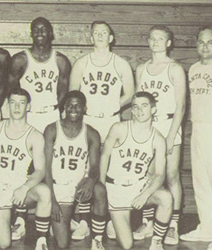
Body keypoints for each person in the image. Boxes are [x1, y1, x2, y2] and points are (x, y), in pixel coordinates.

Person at [69, 20, 134, 240]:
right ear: (91, 38)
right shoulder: (81, 63)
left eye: (103, 32)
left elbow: (131, 94)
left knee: (110, 171)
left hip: (111, 121)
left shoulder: (121, 63)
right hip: (88, 120)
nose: (99, 35)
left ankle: (109, 220)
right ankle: (84, 223)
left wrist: (114, 106)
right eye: (95, 33)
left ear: (111, 38)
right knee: (86, 170)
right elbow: (73, 94)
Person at [0, 87, 51, 250]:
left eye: (21, 103)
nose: (17, 107)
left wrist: (25, 187)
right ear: (7, 106)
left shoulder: (35, 136)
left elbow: (40, 170)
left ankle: (41, 241)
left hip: (19, 188)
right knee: (4, 243)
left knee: (44, 192)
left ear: (28, 107)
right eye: (13, 103)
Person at [100, 92, 172, 250]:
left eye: (144, 106)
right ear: (131, 110)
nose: (139, 110)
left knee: (166, 197)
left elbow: (160, 174)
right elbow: (104, 156)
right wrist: (101, 185)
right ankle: (113, 223)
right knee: (127, 245)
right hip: (116, 188)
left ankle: (157, 241)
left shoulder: (158, 139)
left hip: (138, 187)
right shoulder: (119, 128)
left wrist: (145, 194)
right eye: (135, 107)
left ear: (153, 109)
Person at [135, 25, 186, 245]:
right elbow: (138, 101)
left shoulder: (174, 69)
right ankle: (148, 222)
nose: (156, 42)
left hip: (168, 124)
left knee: (171, 175)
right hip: (147, 126)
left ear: (168, 43)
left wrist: (171, 135)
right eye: (152, 38)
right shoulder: (141, 68)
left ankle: (173, 225)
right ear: (148, 41)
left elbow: (182, 106)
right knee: (146, 174)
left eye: (160, 39)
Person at [44, 90, 107, 250]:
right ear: (64, 106)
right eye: (70, 105)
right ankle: (61, 222)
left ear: (84, 108)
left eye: (78, 106)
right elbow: (46, 168)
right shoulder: (52, 129)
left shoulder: (92, 133)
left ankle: (97, 240)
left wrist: (91, 180)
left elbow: (94, 167)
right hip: (58, 188)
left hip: (78, 186)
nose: (73, 109)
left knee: (99, 189)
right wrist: (52, 200)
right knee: (63, 243)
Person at [8, 17, 71, 133]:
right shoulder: (20, 60)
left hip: (51, 114)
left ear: (50, 33)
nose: (40, 33)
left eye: (44, 30)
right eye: (36, 30)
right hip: (28, 114)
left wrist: (56, 110)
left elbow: (63, 92)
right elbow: (12, 91)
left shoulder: (61, 60)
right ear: (31, 34)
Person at [180, 26, 212, 245]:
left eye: (210, 42)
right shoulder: (192, 69)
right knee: (201, 181)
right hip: (199, 127)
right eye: (201, 42)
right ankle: (207, 227)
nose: (205, 47)